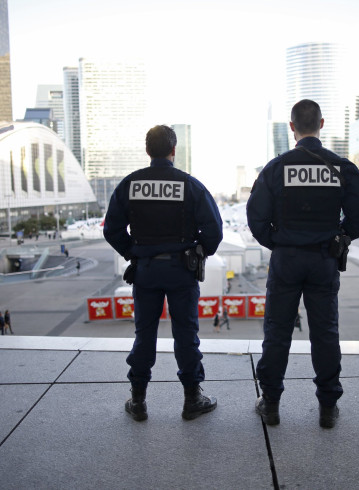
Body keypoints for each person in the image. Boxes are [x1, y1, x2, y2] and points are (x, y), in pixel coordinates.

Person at [246, 99, 359, 429]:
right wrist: (341, 236)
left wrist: (280, 242)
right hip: (324, 258)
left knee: (277, 331)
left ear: (292, 128)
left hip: (287, 259)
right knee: (325, 333)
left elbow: (256, 217)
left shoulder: (276, 168)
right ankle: (328, 407)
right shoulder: (340, 167)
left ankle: (271, 403)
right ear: (322, 123)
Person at [103, 124, 223, 422]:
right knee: (186, 334)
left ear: (148, 151)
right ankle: (192, 398)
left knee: (144, 334)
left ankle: (139, 400)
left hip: (145, 270)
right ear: (173, 150)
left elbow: (111, 229)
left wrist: (133, 252)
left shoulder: (130, 184)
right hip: (182, 270)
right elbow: (214, 230)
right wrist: (199, 252)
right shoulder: (190, 185)